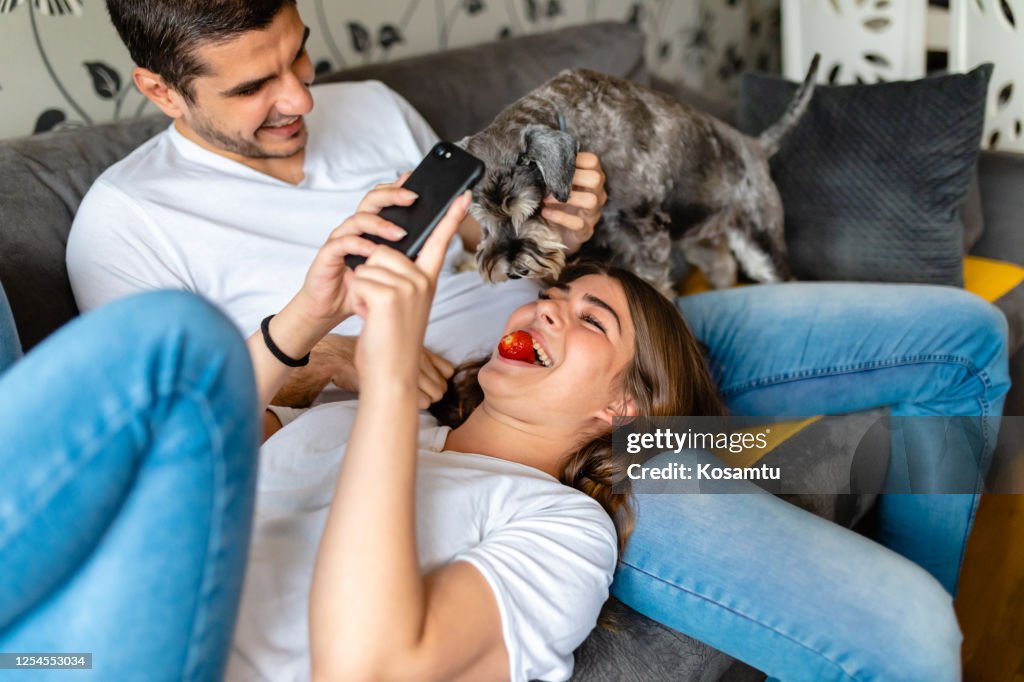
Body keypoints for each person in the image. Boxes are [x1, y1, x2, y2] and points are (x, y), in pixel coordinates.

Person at [59, 0, 1007, 674]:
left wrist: (554, 230)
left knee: (964, 342)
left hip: (581, 328)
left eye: (301, 57)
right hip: (508, 425)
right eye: (257, 88)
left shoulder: (373, 109)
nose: (302, 98)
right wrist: (331, 347)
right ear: (160, 88)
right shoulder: (126, 225)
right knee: (898, 628)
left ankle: (813, 496)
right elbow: (174, 446)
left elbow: (497, 255)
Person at [0, 197, 967, 681]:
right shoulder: (363, 428)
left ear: (623, 411)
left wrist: (386, 377)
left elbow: (367, 667)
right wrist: (306, 318)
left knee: (175, 336)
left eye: (590, 322)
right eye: (551, 296)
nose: (547, 312)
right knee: (183, 350)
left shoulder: (561, 530)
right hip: (61, 648)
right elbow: (193, 435)